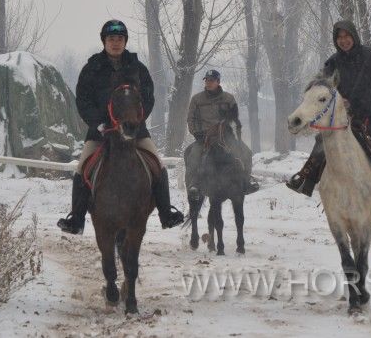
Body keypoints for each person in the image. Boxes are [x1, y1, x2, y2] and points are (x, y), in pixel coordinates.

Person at [57, 20, 185, 234]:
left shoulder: (138, 68)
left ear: (125, 41)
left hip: (134, 130)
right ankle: (76, 220)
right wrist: (99, 123)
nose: (115, 43)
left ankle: (166, 214)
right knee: (81, 169)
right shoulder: (91, 68)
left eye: (119, 39)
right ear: (104, 41)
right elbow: (83, 100)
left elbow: (148, 98)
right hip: (100, 131)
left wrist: (135, 121)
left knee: (159, 165)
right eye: (111, 39)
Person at [286, 19, 371, 212]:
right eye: (339, 37)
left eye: (347, 36)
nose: (344, 40)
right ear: (336, 40)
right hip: (350, 118)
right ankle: (306, 178)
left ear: (354, 35)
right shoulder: (334, 62)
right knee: (322, 141)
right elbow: (321, 82)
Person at [185, 70, 260, 200]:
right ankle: (193, 186)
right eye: (207, 80)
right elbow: (190, 119)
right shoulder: (196, 99)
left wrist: (233, 132)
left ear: (218, 82)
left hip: (225, 136)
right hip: (204, 136)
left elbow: (234, 118)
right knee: (193, 155)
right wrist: (196, 132)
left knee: (246, 152)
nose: (208, 83)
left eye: (211, 80)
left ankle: (246, 182)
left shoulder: (229, 98)